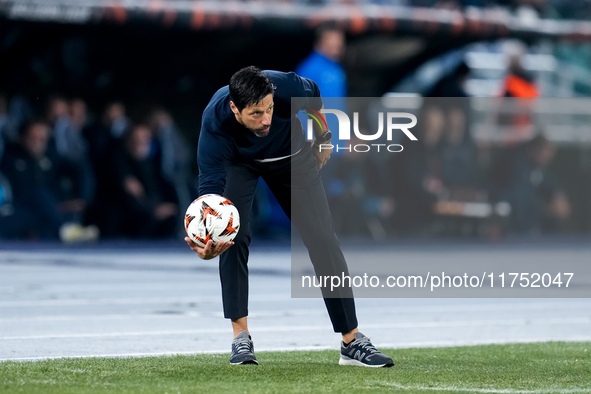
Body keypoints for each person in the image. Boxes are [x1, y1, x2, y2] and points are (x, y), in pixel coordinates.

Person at [185, 66, 394, 367]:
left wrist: (322, 137)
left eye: (270, 108)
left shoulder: (288, 86)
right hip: (239, 163)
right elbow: (210, 197)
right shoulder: (215, 125)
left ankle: (351, 340)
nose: (266, 119)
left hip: (292, 157)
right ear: (234, 108)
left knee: (323, 239)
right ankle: (240, 337)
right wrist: (206, 241)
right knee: (233, 236)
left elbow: (316, 101)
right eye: (256, 113)